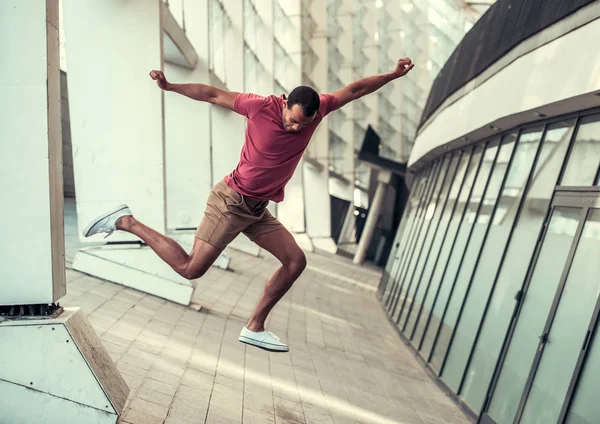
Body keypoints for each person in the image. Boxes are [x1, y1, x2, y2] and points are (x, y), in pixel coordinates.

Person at [83, 58, 415, 352]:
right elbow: (212, 94)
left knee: (295, 261)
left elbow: (355, 90)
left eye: (304, 124)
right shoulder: (259, 106)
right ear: (285, 103)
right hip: (231, 201)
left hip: (257, 210)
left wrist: (392, 75)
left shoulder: (319, 110)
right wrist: (170, 86)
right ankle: (126, 222)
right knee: (190, 269)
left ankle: (254, 326)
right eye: (293, 121)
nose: (297, 128)